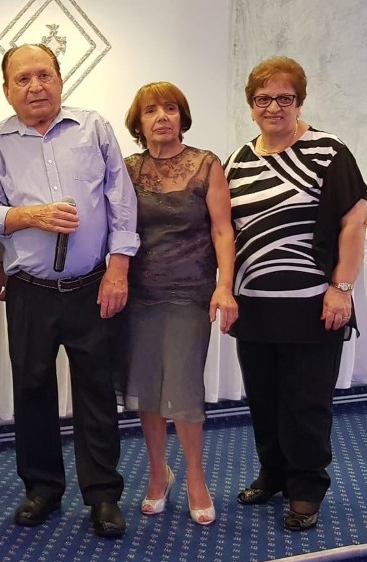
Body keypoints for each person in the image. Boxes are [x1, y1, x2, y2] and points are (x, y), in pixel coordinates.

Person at [0, 44, 138, 539]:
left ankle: (103, 494)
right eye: (22, 79)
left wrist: (118, 268)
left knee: (96, 392)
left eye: (43, 75)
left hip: (92, 286)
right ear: (7, 90)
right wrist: (30, 216)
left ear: (61, 80)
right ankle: (42, 488)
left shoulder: (93, 128)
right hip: (30, 289)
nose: (35, 87)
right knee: (32, 391)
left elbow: (121, 202)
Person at [224, 56, 367, 531]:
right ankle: (273, 473)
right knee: (264, 400)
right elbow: (225, 231)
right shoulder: (237, 160)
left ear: (299, 102)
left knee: (306, 403)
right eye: (263, 98)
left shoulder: (329, 152)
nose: (273, 107)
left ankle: (306, 487)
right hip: (255, 306)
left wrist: (341, 288)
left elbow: (356, 220)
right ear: (251, 105)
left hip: (312, 305)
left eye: (284, 98)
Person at [121, 82, 237, 526]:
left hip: (191, 292)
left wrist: (224, 286)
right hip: (140, 294)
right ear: (139, 122)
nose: (162, 117)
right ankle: (158, 474)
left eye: (170, 108)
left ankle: (195, 477)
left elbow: (223, 231)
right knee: (148, 387)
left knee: (185, 388)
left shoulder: (207, 165)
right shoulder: (129, 169)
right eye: (151, 110)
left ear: (182, 117)